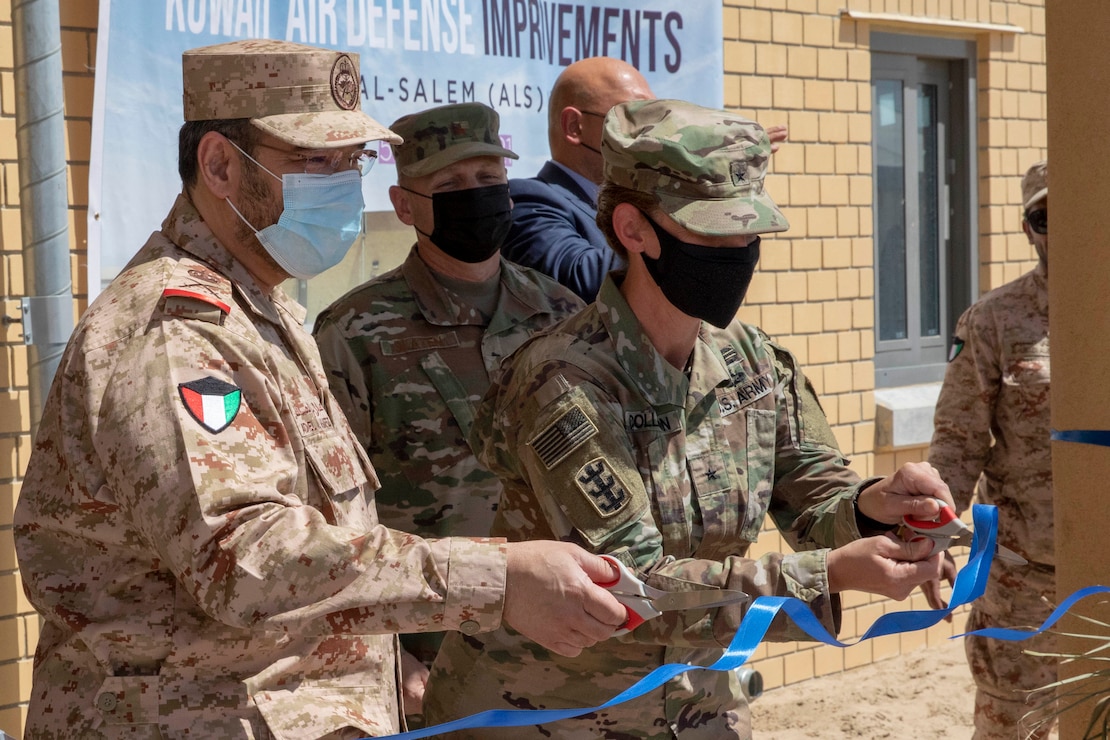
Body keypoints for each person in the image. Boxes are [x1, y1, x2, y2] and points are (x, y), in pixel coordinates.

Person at [12, 39, 626, 739]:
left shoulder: (257, 307)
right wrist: (499, 581)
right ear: (218, 165)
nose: (338, 184)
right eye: (311, 163)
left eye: (348, 162)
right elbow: (247, 561)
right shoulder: (175, 333)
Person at [422, 99, 953, 740]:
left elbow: (817, 504)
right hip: (548, 715)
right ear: (634, 229)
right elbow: (634, 587)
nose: (738, 253)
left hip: (698, 708)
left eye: (748, 233)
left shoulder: (755, 362)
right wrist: (835, 574)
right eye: (713, 235)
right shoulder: (565, 383)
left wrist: (880, 508)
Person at [313, 102, 585, 720]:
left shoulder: (564, 315)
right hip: (435, 663)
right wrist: (388, 655)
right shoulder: (355, 333)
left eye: (489, 180)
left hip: (566, 652)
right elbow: (328, 517)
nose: (476, 196)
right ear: (404, 205)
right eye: (451, 186)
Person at [928, 160, 1054, 740]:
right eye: (1044, 217)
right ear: (1028, 228)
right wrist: (927, 538)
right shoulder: (994, 322)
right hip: (1024, 585)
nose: (1061, 229)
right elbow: (958, 444)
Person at [502, 56, 786, 301]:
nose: (653, 135)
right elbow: (580, 279)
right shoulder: (531, 201)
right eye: (634, 118)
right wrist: (679, 226)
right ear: (575, 126)